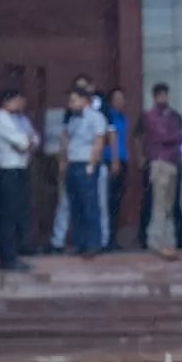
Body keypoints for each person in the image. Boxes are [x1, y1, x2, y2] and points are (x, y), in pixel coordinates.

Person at [137, 82, 182, 259]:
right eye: (161, 95)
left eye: (166, 95)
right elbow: (161, 136)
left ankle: (169, 240)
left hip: (172, 162)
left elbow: (178, 136)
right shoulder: (150, 116)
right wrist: (171, 136)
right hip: (158, 161)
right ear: (155, 96)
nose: (164, 98)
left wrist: (171, 136)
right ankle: (155, 240)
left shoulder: (172, 116)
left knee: (170, 204)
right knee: (158, 203)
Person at [0, 89, 34, 271]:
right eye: (17, 100)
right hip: (8, 171)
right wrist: (28, 141)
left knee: (16, 213)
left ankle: (13, 253)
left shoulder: (15, 118)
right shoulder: (2, 119)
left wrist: (28, 141)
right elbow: (24, 143)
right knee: (8, 215)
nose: (20, 104)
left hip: (17, 169)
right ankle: (8, 258)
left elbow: (32, 140)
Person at [62, 88, 107, 258]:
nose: (70, 104)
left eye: (74, 100)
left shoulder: (96, 117)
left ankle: (93, 244)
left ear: (84, 100)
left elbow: (99, 142)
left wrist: (92, 164)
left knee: (90, 206)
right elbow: (67, 140)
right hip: (72, 164)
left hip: (86, 164)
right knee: (76, 206)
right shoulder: (72, 118)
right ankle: (79, 243)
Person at [100, 87, 129, 251]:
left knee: (117, 202)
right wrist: (114, 161)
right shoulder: (107, 117)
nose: (120, 102)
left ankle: (113, 237)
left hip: (123, 161)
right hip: (111, 161)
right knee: (109, 202)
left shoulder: (123, 117)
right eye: (117, 98)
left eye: (122, 98)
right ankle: (107, 238)